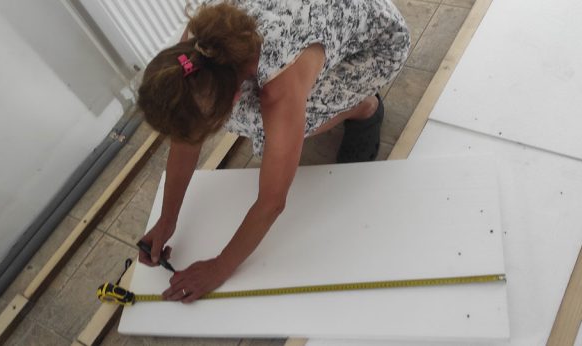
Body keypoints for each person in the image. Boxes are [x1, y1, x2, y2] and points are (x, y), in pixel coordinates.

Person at [136, 0, 410, 303]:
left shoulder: (280, 84)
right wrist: (167, 219)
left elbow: (271, 203)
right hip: (317, 17)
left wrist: (220, 267)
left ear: (236, 93)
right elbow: (186, 136)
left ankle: (364, 108)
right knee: (263, 122)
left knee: (267, 126)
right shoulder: (194, 49)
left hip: (377, 39)